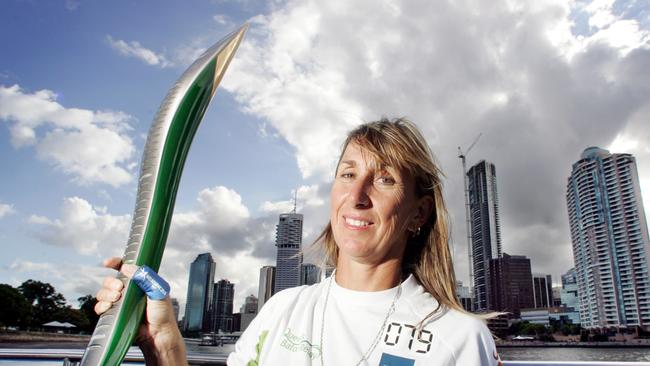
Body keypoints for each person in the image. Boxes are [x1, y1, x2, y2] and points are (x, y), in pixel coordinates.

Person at [96, 118, 502, 365]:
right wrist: (163, 344)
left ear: (418, 212)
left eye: (384, 179)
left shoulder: (458, 338)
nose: (357, 195)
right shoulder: (282, 310)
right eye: (347, 174)